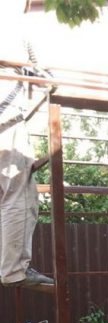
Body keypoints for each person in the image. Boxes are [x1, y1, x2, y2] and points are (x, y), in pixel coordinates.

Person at [0, 41, 53, 291]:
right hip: (6, 119)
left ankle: (10, 267)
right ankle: (14, 270)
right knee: (20, 193)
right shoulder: (10, 24)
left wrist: (32, 70)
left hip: (6, 118)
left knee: (10, 195)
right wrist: (35, 69)